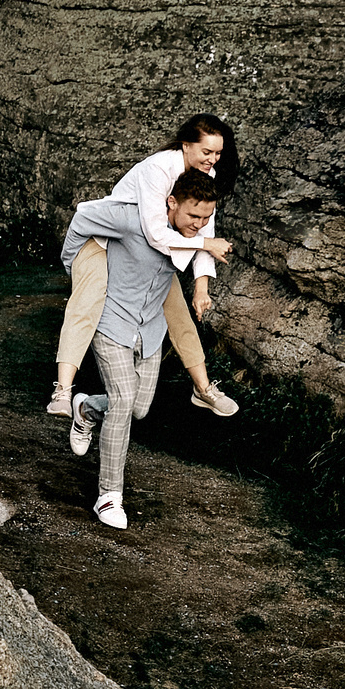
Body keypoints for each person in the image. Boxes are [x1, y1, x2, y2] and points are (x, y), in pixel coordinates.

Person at [60, 168, 222, 530]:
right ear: (171, 202)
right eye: (193, 215)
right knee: (122, 399)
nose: (199, 225)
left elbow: (201, 258)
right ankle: (109, 497)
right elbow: (84, 215)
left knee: (139, 408)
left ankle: (86, 407)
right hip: (111, 321)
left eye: (206, 218)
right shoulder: (133, 219)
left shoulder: (192, 235)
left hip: (150, 330)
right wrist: (74, 265)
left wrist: (201, 290)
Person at [51, 114, 240, 421]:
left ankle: (203, 389)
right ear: (185, 145)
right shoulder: (158, 168)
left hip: (147, 252)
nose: (213, 159)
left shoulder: (205, 176)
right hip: (106, 241)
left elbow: (206, 231)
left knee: (179, 313)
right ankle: (63, 390)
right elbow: (156, 232)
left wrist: (202, 288)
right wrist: (71, 260)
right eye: (207, 152)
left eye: (218, 153)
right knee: (85, 304)